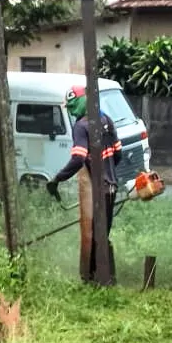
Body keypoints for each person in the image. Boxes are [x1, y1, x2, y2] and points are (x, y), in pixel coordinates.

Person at [46, 85, 121, 282]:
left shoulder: (81, 126)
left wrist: (57, 179)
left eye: (72, 106)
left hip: (98, 190)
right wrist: (108, 172)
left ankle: (94, 280)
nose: (71, 111)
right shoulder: (107, 120)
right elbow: (118, 154)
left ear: (81, 102)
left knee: (94, 236)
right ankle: (105, 279)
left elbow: (78, 159)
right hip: (111, 187)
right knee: (102, 234)